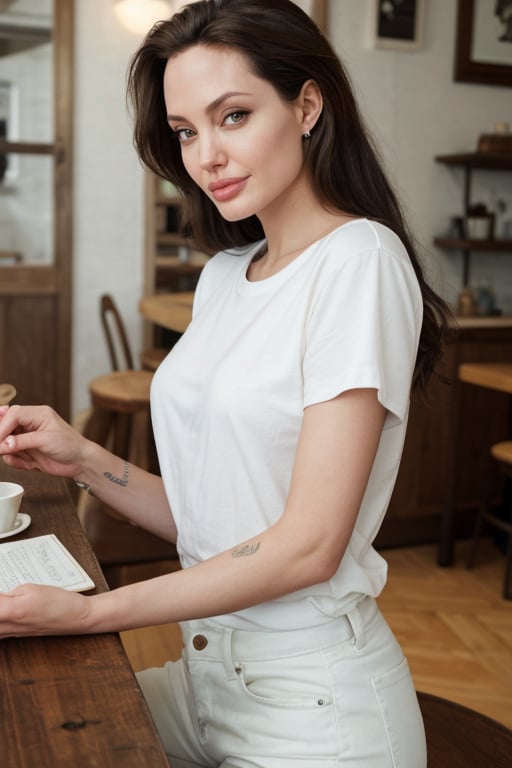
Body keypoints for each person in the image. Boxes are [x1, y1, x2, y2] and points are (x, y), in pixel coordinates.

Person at [0, 1, 452, 765]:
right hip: (208, 680)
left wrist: (91, 615)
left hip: (312, 706)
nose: (205, 154)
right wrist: (80, 457)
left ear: (307, 105)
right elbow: (219, 524)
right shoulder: (224, 276)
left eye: (233, 115)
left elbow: (305, 547)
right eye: (184, 131)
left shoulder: (359, 261)